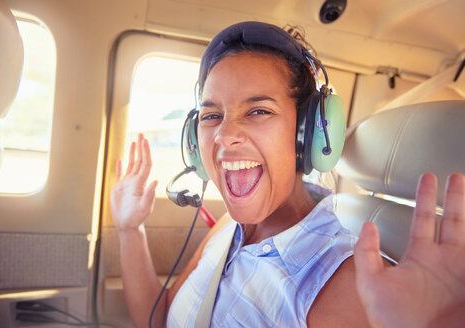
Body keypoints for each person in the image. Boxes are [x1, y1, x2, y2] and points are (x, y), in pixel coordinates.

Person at [110, 21, 465, 328]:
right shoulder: (227, 229)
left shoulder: (339, 285)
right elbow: (160, 318)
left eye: (258, 110)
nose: (223, 135)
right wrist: (129, 228)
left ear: (310, 134)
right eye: (211, 115)